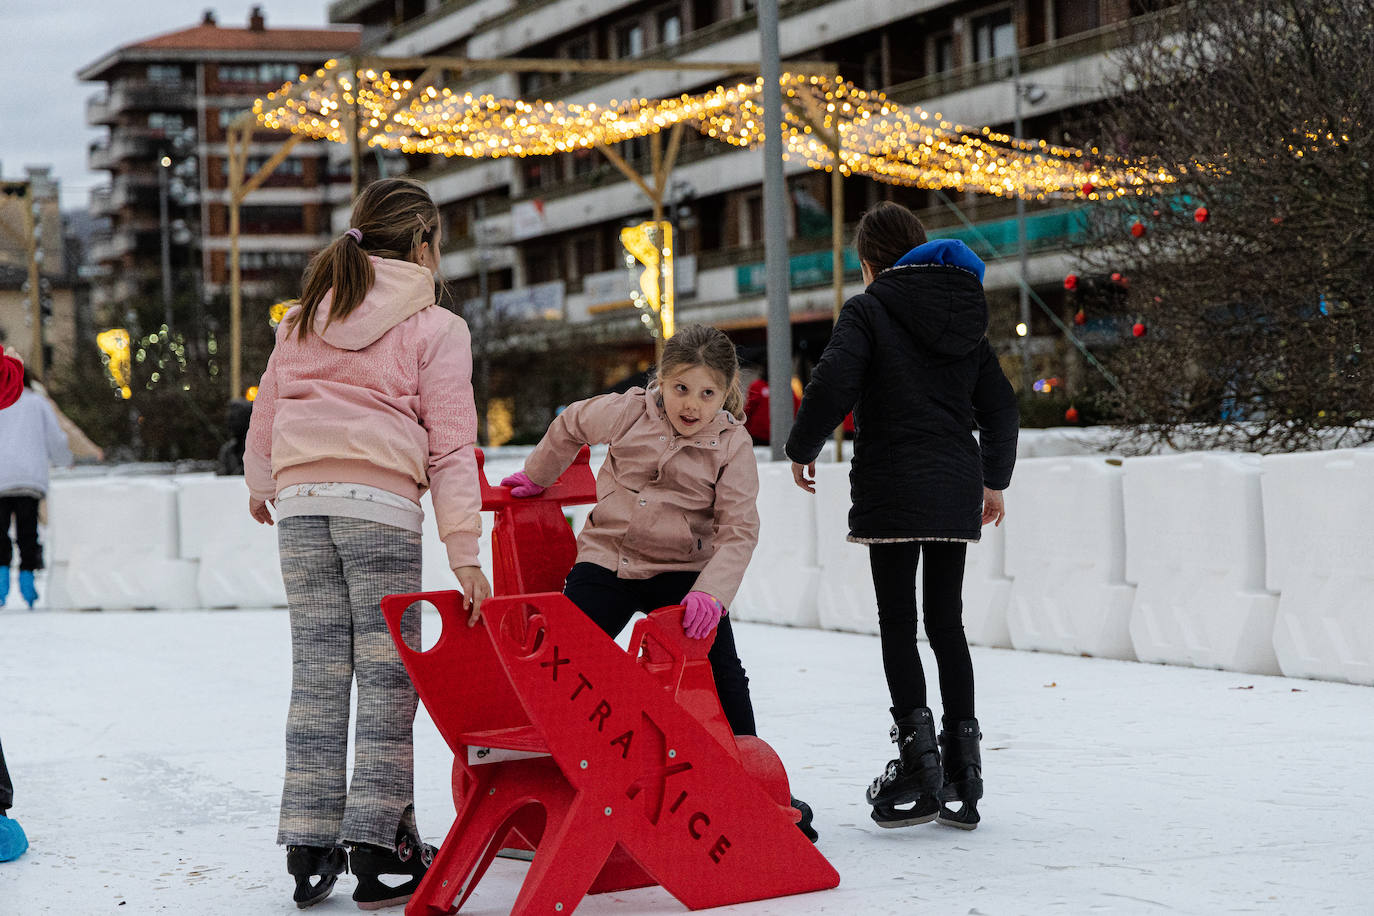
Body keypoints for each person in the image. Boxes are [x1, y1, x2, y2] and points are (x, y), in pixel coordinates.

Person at [245, 177, 492, 910]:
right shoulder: (436, 327)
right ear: (423, 243)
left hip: (301, 507)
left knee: (318, 672)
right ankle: (382, 848)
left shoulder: (301, 318)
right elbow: (452, 448)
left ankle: (309, 844)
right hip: (379, 509)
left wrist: (262, 482)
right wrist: (465, 551)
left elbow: (268, 408)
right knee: (387, 678)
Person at [499, 324, 817, 841]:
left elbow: (739, 528)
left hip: (684, 574)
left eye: (708, 393)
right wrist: (539, 475)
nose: (692, 404)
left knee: (721, 670)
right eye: (681, 388)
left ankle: (751, 778)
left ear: (726, 392)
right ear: (661, 381)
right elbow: (571, 423)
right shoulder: (628, 412)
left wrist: (711, 592)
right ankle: (554, 770)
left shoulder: (731, 444)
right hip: (610, 561)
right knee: (565, 657)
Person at [786, 201, 1018, 831]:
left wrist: (802, 448)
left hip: (891, 484)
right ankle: (965, 771)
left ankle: (919, 765)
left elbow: (832, 382)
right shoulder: (965, 312)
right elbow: (1000, 407)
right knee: (947, 625)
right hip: (954, 486)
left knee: (899, 626)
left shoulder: (868, 309)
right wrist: (994, 480)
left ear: (869, 263)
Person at [0, 360, 73, 609]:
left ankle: (1, 582)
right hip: (29, 478)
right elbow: (56, 438)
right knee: (27, 531)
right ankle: (27, 580)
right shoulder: (37, 403)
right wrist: (65, 460)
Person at [0, 352, 30, 862]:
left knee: (9, 542)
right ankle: (20, 582)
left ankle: (9, 579)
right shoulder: (35, 403)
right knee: (25, 539)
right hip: (26, 478)